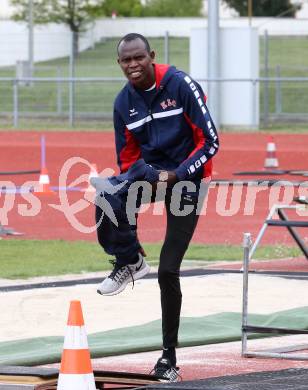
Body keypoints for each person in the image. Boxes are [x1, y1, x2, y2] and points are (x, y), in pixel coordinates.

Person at [95, 33, 219, 381]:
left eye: (138, 58)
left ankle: (168, 359)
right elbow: (127, 160)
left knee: (168, 271)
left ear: (151, 56)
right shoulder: (123, 103)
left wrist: (177, 175)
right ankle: (129, 260)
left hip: (190, 180)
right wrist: (148, 176)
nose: (133, 65)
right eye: (125, 61)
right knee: (106, 191)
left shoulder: (181, 85)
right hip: (153, 176)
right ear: (119, 64)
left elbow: (211, 142)